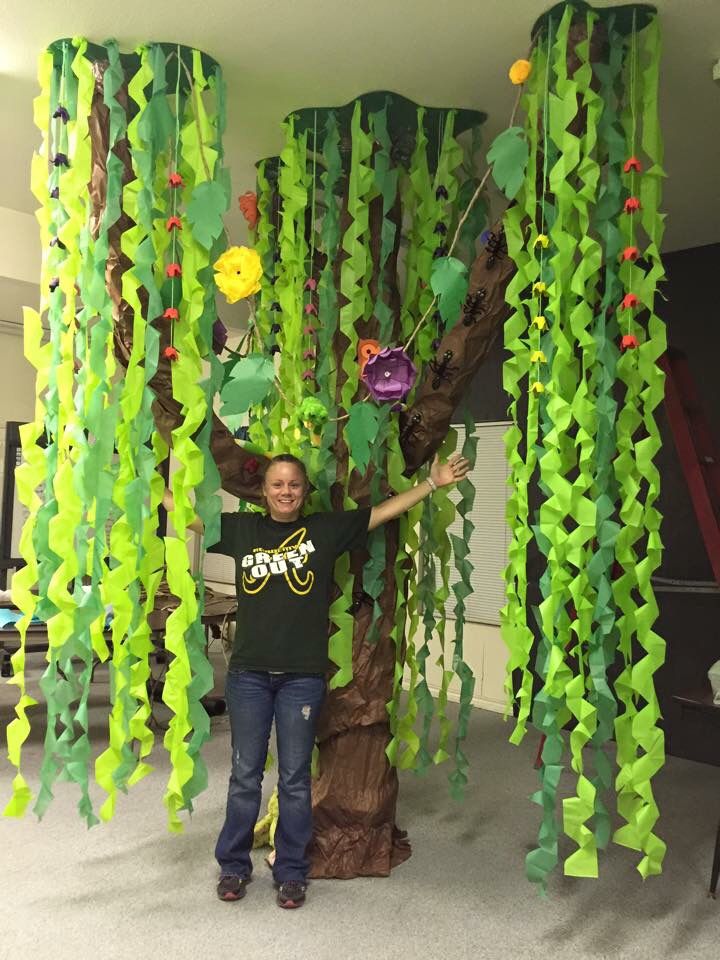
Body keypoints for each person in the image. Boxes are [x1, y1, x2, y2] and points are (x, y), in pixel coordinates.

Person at [164, 449, 470, 909]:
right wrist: (132, 478)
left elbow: (380, 514)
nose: (285, 492)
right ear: (264, 491)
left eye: (293, 484)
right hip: (248, 676)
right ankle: (232, 865)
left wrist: (432, 483)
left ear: (304, 491)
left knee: (293, 778)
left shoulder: (323, 530)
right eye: (276, 484)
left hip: (301, 679)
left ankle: (291, 870)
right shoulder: (243, 530)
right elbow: (186, 514)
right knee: (245, 774)